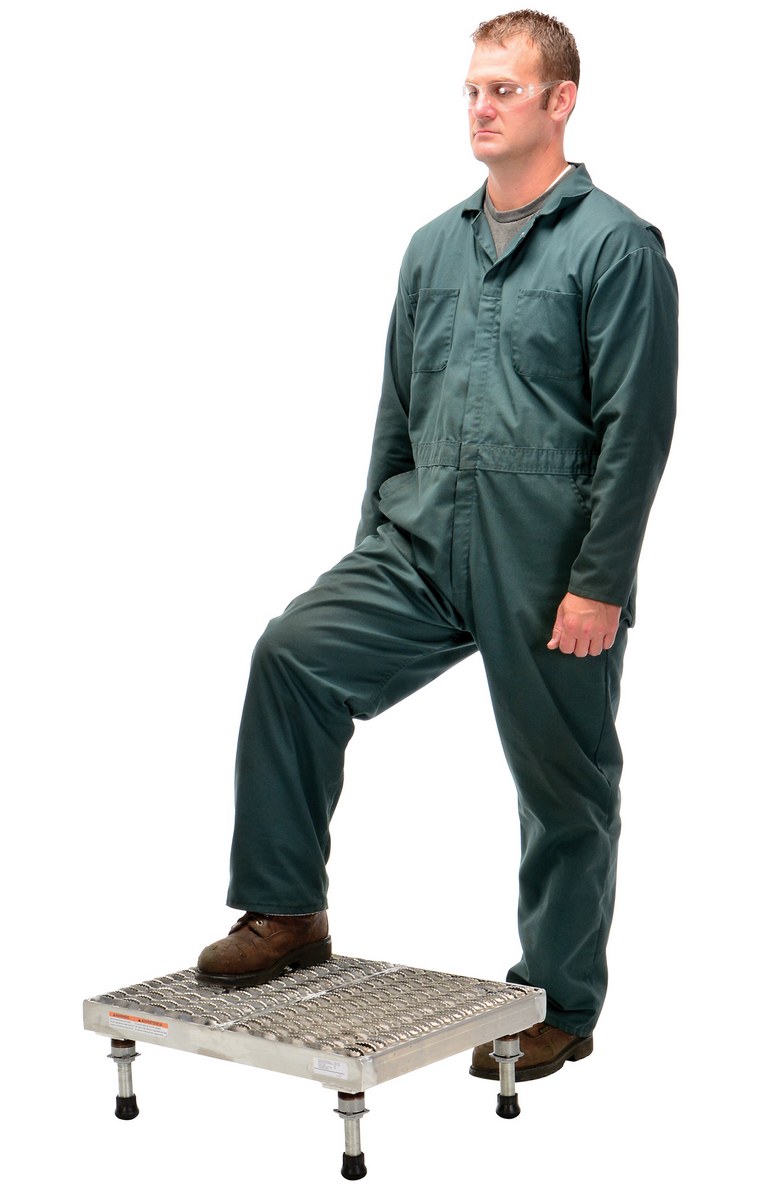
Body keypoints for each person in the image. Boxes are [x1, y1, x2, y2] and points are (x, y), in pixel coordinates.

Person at [196, 9, 678, 1083]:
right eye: (471, 90)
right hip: (420, 542)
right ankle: (286, 910)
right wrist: (372, 541)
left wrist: (599, 583)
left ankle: (559, 1002)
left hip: (545, 561)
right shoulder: (432, 246)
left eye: (504, 89)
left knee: (562, 786)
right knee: (293, 656)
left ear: (560, 101)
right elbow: (397, 408)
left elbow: (636, 428)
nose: (480, 107)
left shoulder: (614, 246)